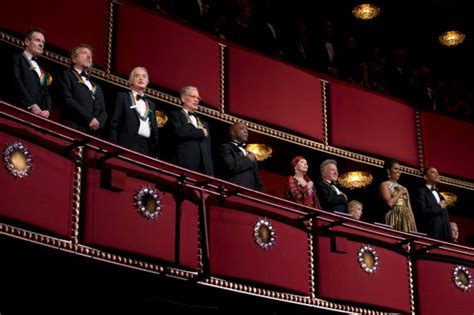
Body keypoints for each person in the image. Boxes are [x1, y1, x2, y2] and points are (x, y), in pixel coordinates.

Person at [109, 67, 159, 157]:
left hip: (145, 147)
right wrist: (112, 146)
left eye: (144, 76)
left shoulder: (151, 104)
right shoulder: (122, 97)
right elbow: (114, 123)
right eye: (137, 76)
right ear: (131, 80)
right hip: (126, 144)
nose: (141, 78)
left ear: (147, 81)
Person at [58, 44, 107, 134]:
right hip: (72, 126)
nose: (89, 56)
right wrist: (89, 118)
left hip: (91, 131)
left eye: (91, 55)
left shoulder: (97, 87)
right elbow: (68, 100)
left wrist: (98, 123)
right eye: (84, 53)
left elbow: (103, 111)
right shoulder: (67, 75)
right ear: (74, 59)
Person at [170, 86, 213, 175]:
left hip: (203, 167)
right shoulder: (176, 115)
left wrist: (210, 170)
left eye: (198, 98)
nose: (196, 100)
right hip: (185, 162)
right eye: (193, 97)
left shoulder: (204, 123)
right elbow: (179, 132)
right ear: (183, 98)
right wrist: (200, 132)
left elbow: (208, 149)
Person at [12, 27, 51, 118]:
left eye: (43, 42)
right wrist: (31, 104)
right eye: (38, 40)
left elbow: (46, 92)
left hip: (38, 116)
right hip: (20, 110)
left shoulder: (41, 69)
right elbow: (16, 81)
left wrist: (47, 109)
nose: (41, 44)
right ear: (27, 42)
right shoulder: (17, 58)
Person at [217, 121, 263, 191]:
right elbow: (230, 166)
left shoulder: (250, 153)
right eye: (242, 129)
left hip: (251, 196)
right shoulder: (226, 148)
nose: (246, 131)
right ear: (232, 133)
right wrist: (248, 160)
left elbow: (257, 178)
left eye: (247, 130)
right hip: (234, 192)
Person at [414, 167, 451, 241]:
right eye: (433, 172)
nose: (437, 174)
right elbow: (422, 213)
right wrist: (439, 207)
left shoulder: (440, 194)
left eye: (437, 172)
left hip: (444, 235)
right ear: (425, 177)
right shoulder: (421, 192)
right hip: (431, 234)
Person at [379, 159, 417, 232]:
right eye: (395, 169)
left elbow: (410, 210)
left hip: (406, 218)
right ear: (388, 170)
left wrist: (415, 230)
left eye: (399, 169)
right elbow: (390, 203)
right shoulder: (384, 184)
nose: (399, 171)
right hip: (394, 217)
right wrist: (400, 192)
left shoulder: (404, 188)